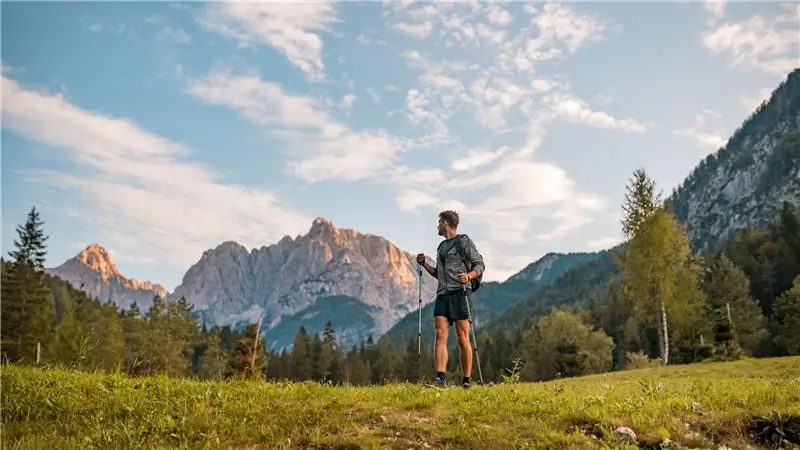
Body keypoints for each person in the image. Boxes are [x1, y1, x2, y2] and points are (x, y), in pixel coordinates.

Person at [416, 210, 485, 388]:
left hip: (460, 293)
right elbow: (440, 274)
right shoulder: (441, 247)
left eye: (439, 222)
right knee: (440, 334)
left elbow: (480, 264)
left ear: (446, 223)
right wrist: (424, 264)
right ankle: (440, 378)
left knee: (462, 337)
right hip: (443, 295)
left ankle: (466, 380)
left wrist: (469, 276)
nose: (437, 226)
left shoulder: (463, 241)